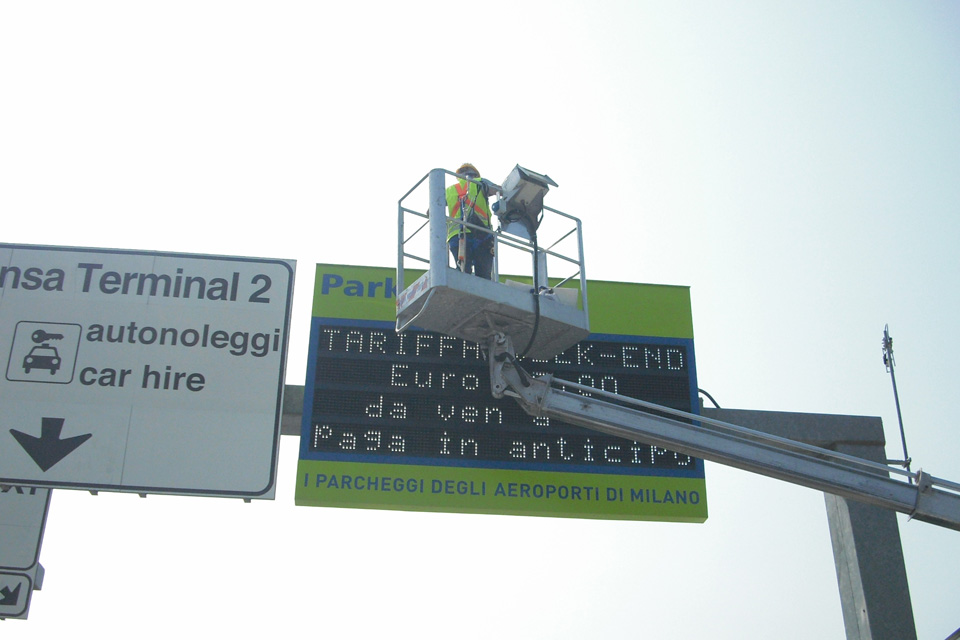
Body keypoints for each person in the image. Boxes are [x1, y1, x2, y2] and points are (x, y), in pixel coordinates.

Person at [446, 162, 495, 279]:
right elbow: (500, 191)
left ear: (458, 176)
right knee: (483, 277)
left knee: (463, 273)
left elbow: (432, 210)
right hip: (482, 235)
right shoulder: (481, 182)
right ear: (476, 174)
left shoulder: (449, 190)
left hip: (457, 236)